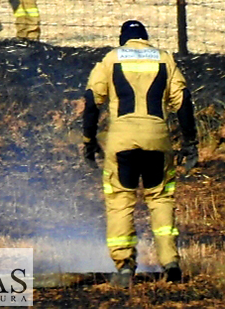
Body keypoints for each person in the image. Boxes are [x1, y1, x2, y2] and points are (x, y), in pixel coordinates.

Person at [82, 20, 198, 288]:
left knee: (120, 200)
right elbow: (184, 103)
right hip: (157, 138)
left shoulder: (111, 59)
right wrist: (191, 143)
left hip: (121, 141)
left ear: (123, 39)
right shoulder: (165, 59)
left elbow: (91, 101)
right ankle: (170, 263)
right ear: (146, 39)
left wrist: (88, 141)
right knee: (160, 198)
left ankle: (124, 267)